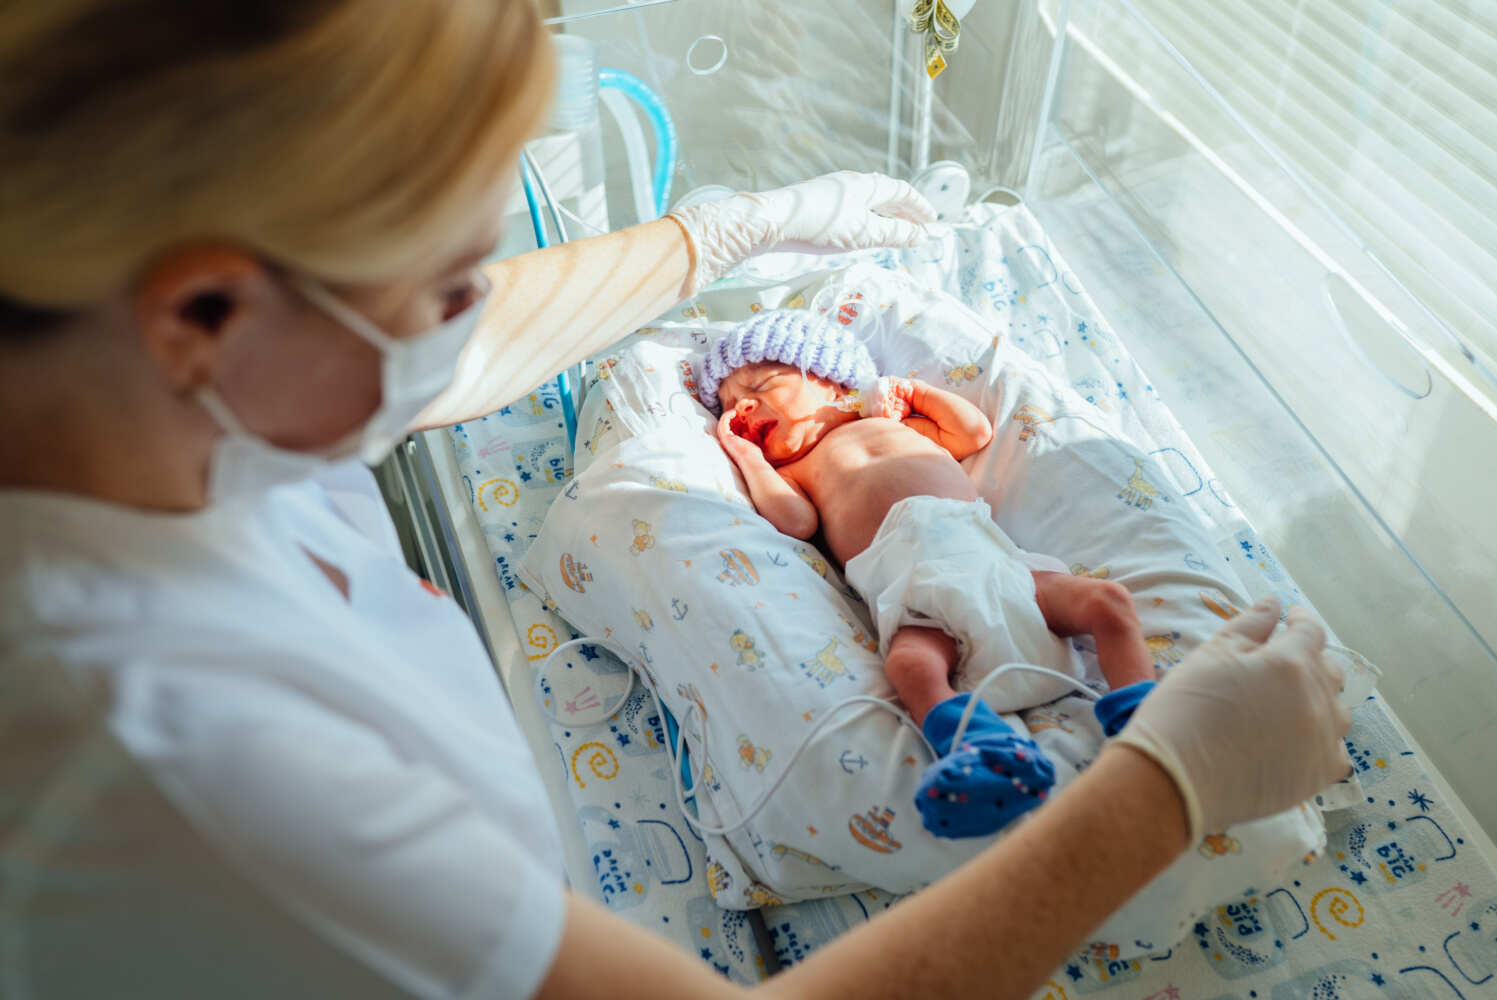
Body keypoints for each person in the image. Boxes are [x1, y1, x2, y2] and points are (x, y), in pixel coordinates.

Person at [0, 3, 1352, 998]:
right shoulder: (160, 754)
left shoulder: (137, 398)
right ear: (201, 312)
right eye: (448, 277)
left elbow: (435, 354)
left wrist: (732, 233)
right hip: (904, 595)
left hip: (957, 551)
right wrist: (1164, 790)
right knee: (922, 666)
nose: (466, 319)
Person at [700, 310, 1158, 839]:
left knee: (1107, 602)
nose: (743, 406)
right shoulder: (791, 472)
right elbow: (795, 521)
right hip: (914, 590)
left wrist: (914, 393)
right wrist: (746, 455)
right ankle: (980, 752)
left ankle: (1143, 719)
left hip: (994, 563)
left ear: (826, 376)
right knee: (912, 666)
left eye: (759, 384)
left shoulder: (890, 424)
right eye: (731, 406)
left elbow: (973, 432)